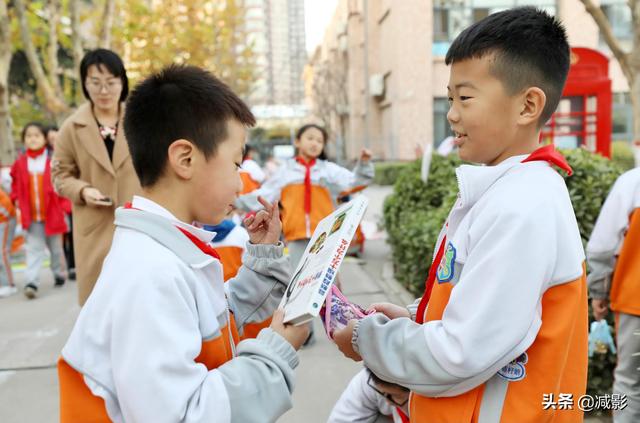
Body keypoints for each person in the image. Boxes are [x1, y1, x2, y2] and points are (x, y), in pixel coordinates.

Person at [333, 8, 588, 422]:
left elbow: (462, 351)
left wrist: (368, 340)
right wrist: (416, 316)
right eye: (450, 98)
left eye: (465, 98)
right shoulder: (508, 190)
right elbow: (479, 304)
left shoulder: (522, 205)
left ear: (527, 105)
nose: (451, 113)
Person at [57, 65, 309, 423]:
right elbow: (184, 415)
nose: (241, 184)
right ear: (185, 159)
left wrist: (263, 264)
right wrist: (277, 353)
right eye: (235, 164)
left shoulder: (163, 251)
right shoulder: (150, 275)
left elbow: (213, 322)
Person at [52, 48, 141, 305]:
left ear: (122, 82)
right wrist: (82, 190)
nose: (104, 91)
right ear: (84, 83)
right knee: (98, 304)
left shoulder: (141, 121)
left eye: (111, 82)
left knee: (138, 299)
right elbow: (60, 175)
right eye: (95, 82)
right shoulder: (71, 127)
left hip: (137, 221)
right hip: (94, 227)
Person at [236, 124, 374, 270]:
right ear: (297, 142)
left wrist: (364, 164)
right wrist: (235, 201)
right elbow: (265, 194)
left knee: (326, 278)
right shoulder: (285, 171)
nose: (315, 143)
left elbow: (355, 182)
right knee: (297, 277)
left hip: (326, 237)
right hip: (296, 237)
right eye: (310, 138)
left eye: (320, 141)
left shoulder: (329, 171)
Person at [586, 167, 640, 423]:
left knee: (631, 380)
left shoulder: (632, 182)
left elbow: (603, 247)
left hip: (634, 300)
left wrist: (599, 290)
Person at [11, 123, 68, 299]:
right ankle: (31, 282)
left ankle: (58, 273)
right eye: (29, 136)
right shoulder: (20, 163)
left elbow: (61, 184)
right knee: (34, 250)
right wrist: (15, 198)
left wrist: (65, 207)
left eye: (37, 135)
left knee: (56, 249)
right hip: (32, 217)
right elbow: (15, 184)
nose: (33, 139)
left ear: (44, 139)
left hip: (52, 214)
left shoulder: (52, 161)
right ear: (24, 140)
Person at [46, 124, 76, 280]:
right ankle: (64, 267)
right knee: (60, 238)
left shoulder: (69, 150)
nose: (54, 141)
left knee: (72, 235)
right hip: (55, 204)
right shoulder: (46, 157)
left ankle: (73, 266)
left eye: (56, 138)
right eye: (50, 139)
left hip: (69, 201)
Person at [0, 180, 16, 298]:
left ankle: (9, 284)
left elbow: (7, 206)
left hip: (5, 220)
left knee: (3, 251)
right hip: (4, 218)